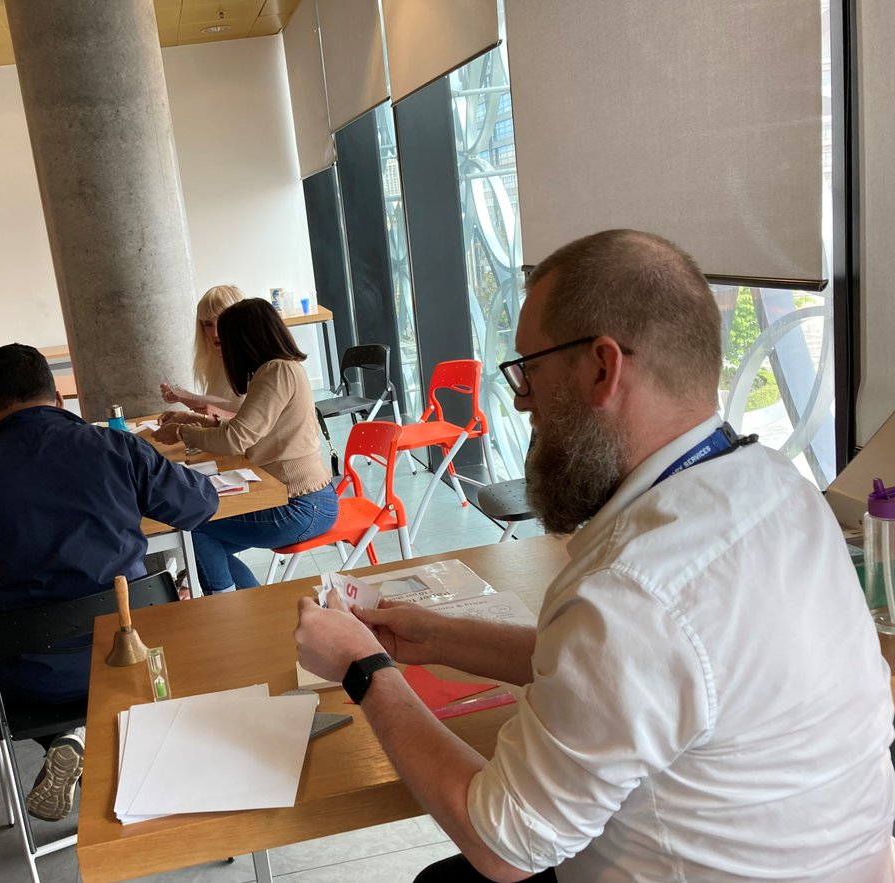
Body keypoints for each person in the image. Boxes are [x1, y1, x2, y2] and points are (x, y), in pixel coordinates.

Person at [294, 229, 895, 883]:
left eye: (530, 367)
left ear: (603, 369)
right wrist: (430, 636)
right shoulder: (780, 490)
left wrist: (364, 667)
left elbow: (502, 846)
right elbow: (624, 673)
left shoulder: (634, 587)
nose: (521, 400)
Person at [0, 343, 218, 820]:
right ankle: (101, 743)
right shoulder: (114, 446)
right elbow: (199, 506)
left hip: (27, 677)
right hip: (132, 657)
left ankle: (71, 737)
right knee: (153, 611)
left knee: (36, 662)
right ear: (57, 399)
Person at [154, 298, 338, 592]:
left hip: (300, 506)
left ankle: (229, 605)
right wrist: (192, 419)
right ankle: (248, 605)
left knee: (194, 527)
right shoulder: (279, 369)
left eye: (225, 340)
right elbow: (246, 429)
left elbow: (236, 438)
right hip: (304, 500)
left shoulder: (276, 372)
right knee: (206, 543)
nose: (223, 349)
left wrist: (182, 431)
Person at [159, 283, 246, 418]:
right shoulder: (218, 363)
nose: (215, 333)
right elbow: (222, 405)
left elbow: (261, 424)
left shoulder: (262, 367)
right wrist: (182, 396)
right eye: (208, 324)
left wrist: (210, 414)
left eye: (222, 322)